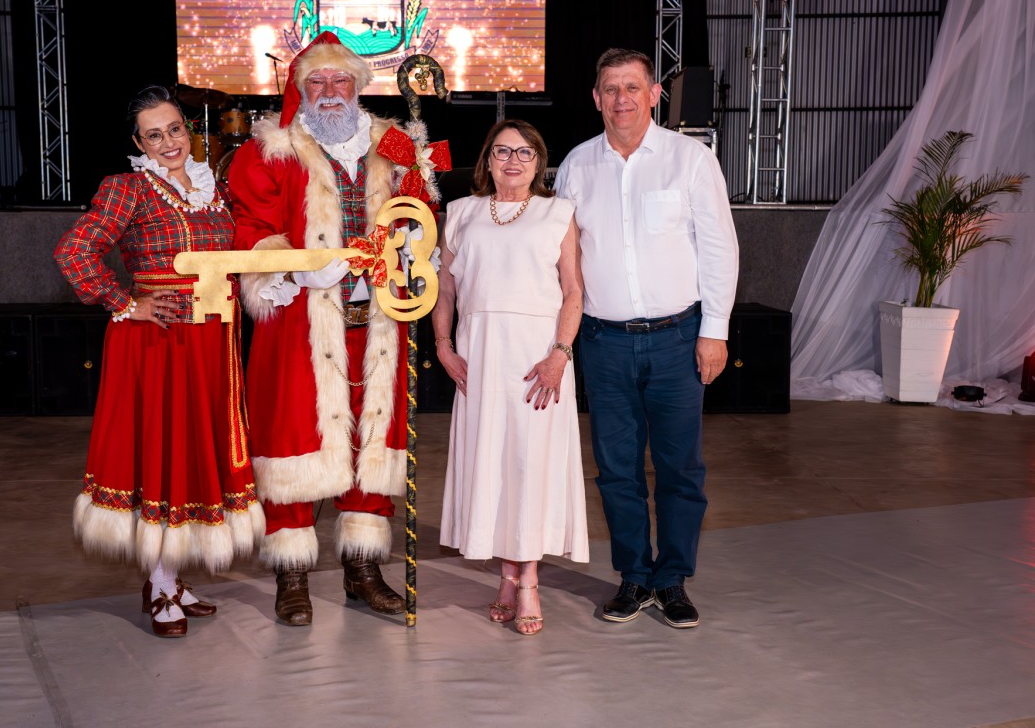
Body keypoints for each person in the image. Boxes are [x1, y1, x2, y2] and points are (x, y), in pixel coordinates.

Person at [227, 32, 432, 626]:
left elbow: (419, 209)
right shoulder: (269, 152)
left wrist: (416, 240)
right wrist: (299, 267)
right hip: (301, 322)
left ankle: (362, 569)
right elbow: (250, 227)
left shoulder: (393, 144)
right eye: (316, 82)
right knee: (293, 439)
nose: (330, 92)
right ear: (300, 90)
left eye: (340, 80)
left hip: (378, 321)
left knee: (372, 441)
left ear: (359, 86)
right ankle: (291, 574)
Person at [54, 85, 264, 638]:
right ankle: (160, 580)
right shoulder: (128, 188)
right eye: (154, 135)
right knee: (161, 452)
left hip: (212, 343)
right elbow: (74, 252)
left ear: (188, 130)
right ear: (138, 142)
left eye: (175, 129)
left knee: (192, 452)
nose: (169, 142)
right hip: (158, 343)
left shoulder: (213, 187)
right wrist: (128, 302)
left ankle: (170, 575)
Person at [554, 48, 739, 629]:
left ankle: (672, 580)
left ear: (654, 94)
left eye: (633, 87)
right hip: (603, 343)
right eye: (611, 89)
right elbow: (563, 260)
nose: (622, 99)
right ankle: (634, 576)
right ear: (596, 98)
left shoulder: (691, 160)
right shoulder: (576, 166)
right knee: (616, 469)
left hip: (678, 339)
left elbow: (719, 248)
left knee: (680, 468)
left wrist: (714, 331)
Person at [432, 119, 588, 636]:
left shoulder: (557, 212)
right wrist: (444, 347)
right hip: (480, 356)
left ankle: (529, 582)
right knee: (493, 463)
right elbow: (446, 290)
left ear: (539, 162)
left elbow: (573, 291)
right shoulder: (461, 212)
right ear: (487, 159)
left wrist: (559, 354)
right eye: (502, 151)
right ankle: (505, 577)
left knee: (529, 464)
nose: (513, 161)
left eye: (524, 152)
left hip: (537, 360)